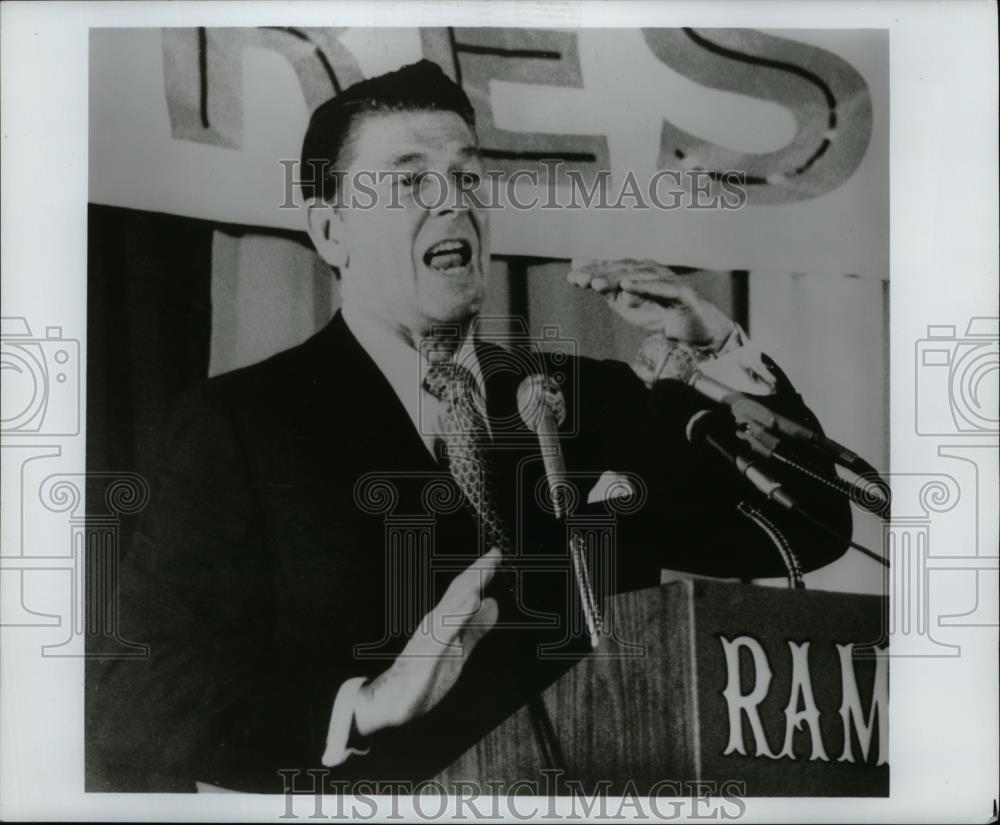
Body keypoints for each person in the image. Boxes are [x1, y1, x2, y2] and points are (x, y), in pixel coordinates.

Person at [91, 60, 850, 793]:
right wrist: (363, 703)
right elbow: (132, 696)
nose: (452, 200)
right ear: (331, 229)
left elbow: (809, 521)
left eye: (466, 176)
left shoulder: (590, 399)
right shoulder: (242, 427)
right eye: (410, 178)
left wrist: (715, 344)